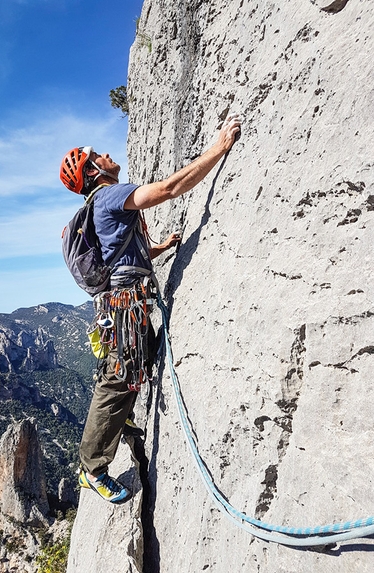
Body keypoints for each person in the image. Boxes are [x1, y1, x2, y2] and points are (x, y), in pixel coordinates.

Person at [59, 114, 241, 504]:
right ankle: (91, 468)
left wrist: (160, 247)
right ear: (93, 171)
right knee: (117, 379)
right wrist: (219, 148)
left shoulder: (101, 207)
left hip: (124, 303)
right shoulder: (109, 195)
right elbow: (170, 188)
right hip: (125, 306)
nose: (108, 154)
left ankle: (120, 416)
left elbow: (120, 255)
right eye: (99, 155)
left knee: (131, 369)